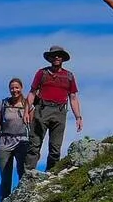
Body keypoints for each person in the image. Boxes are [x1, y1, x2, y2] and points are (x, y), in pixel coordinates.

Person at [26, 45, 84, 173]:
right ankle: (29, 175)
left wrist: (78, 117)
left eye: (59, 55)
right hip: (42, 109)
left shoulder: (69, 76)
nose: (57, 57)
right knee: (34, 145)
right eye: (54, 55)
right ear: (50, 58)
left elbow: (73, 97)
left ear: (63, 58)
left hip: (60, 111)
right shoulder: (42, 73)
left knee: (55, 148)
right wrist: (26, 110)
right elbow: (32, 92)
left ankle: (51, 175)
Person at [0, 78, 35, 202]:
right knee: (5, 177)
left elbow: (32, 124)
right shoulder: (3, 104)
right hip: (4, 142)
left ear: (21, 88)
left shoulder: (27, 105)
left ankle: (23, 200)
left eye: (17, 87)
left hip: (22, 141)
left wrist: (33, 141)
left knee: (23, 173)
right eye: (12, 88)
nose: (14, 90)